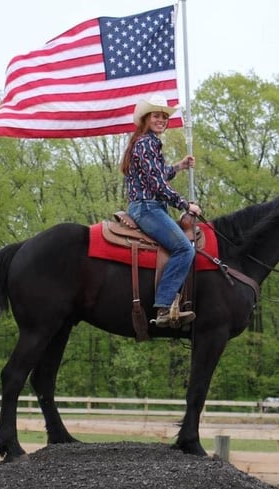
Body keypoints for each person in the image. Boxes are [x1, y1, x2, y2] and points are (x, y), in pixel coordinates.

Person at [120, 94, 202, 328]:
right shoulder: (147, 143)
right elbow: (157, 184)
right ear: (146, 118)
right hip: (147, 208)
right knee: (184, 249)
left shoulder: (145, 143)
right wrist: (186, 205)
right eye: (156, 116)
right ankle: (164, 306)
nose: (161, 120)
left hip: (148, 206)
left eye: (164, 117)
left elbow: (157, 174)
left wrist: (179, 166)